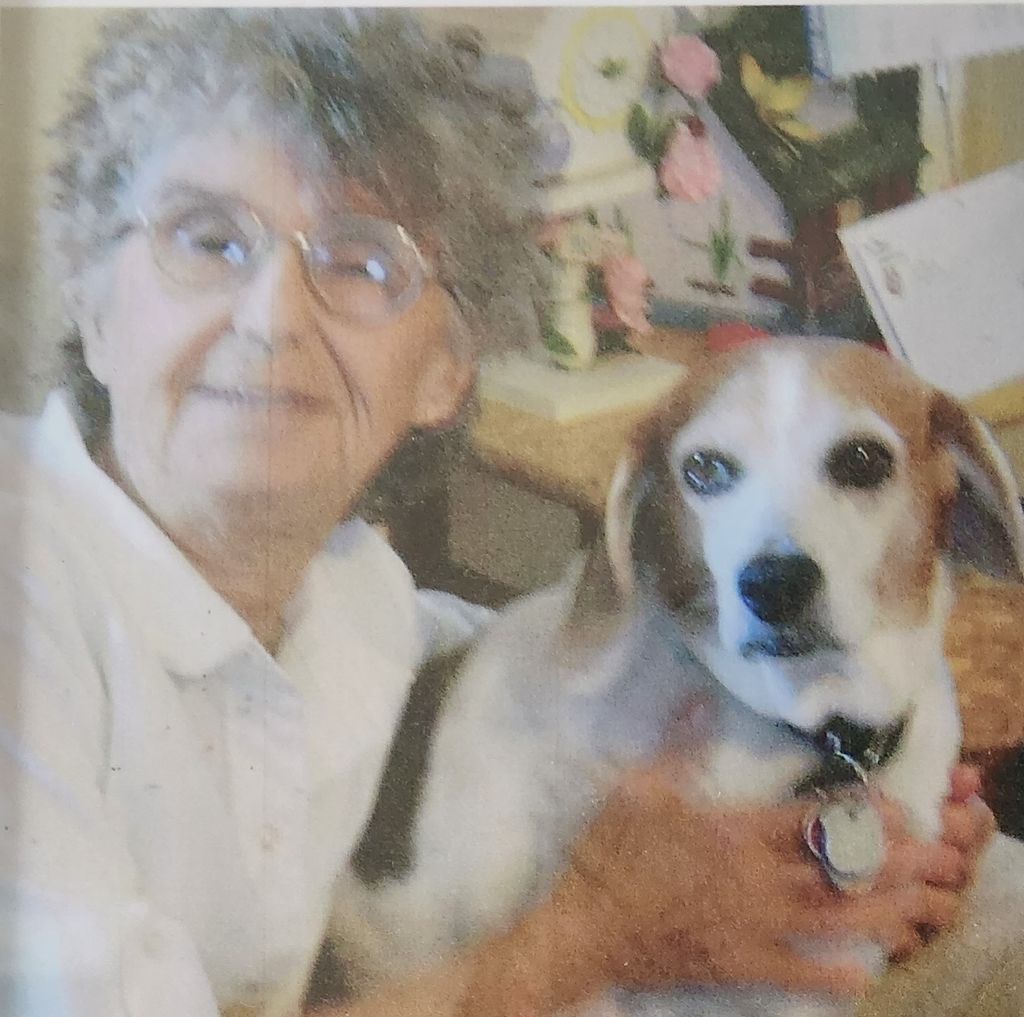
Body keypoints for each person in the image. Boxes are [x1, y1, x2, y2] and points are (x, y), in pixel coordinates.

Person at [0, 9, 1000, 1017]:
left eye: (359, 261)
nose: (272, 318)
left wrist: (865, 819)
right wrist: (594, 926)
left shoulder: (348, 591)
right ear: (90, 300)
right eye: (209, 240)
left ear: (447, 367)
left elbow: (514, 659)